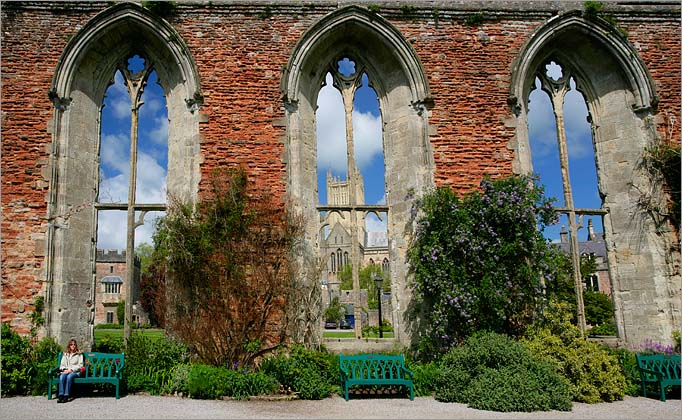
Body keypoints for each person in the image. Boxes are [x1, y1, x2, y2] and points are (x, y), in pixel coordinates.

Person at [57, 338, 83, 403]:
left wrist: (71, 369)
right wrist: (65, 369)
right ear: (69, 345)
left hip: (75, 372)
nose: (73, 346)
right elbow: (62, 364)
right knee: (62, 377)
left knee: (69, 377)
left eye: (74, 344)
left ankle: (66, 395)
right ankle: (61, 395)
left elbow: (80, 365)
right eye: (71, 344)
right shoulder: (65, 354)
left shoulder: (79, 354)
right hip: (66, 371)